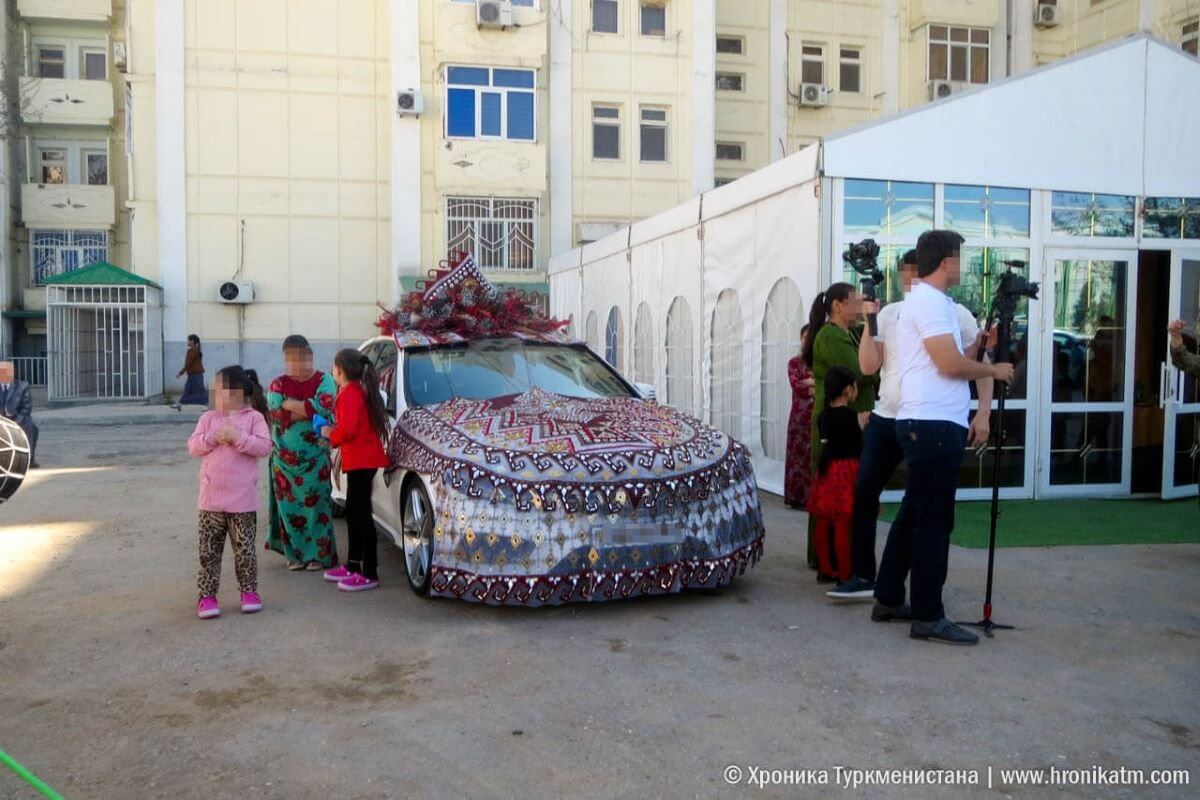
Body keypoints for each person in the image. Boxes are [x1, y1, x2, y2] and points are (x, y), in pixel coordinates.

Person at [872, 230, 1013, 646]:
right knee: (934, 522)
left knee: (915, 512)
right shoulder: (929, 303)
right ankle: (929, 616)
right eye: (960, 257)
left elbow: (950, 361)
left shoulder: (935, 304)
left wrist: (980, 351)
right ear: (947, 262)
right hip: (932, 424)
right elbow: (949, 365)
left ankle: (889, 597)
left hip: (928, 421)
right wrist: (994, 370)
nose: (963, 264)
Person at [828, 251, 993, 601]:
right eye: (907, 273)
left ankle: (905, 591)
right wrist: (870, 326)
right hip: (888, 416)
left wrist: (983, 413)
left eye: (916, 272)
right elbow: (869, 367)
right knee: (864, 491)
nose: (911, 279)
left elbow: (979, 362)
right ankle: (864, 576)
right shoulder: (889, 314)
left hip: (927, 419)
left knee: (918, 503)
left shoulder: (955, 312)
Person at [802, 282, 878, 579]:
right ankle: (824, 559)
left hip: (852, 421)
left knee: (839, 496)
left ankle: (830, 557)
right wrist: (876, 367)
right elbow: (861, 370)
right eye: (853, 301)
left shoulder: (853, 332)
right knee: (828, 494)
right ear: (837, 305)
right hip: (838, 423)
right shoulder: (829, 336)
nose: (859, 305)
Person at [187, 366, 273, 619]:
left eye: (219, 389)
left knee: (245, 551)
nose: (214, 394)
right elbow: (193, 446)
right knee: (208, 552)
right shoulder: (208, 418)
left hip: (242, 502)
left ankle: (249, 592)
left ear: (235, 392)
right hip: (210, 501)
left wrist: (238, 436)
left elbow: (264, 446)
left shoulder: (253, 418)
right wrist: (213, 437)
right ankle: (207, 596)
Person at [265, 335, 339, 571]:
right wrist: (307, 408)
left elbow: (325, 408)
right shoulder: (277, 384)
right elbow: (274, 415)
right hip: (283, 461)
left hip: (315, 459)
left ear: (310, 356)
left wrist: (289, 405)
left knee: (317, 507)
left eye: (300, 357)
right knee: (289, 509)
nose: (295, 364)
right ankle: (295, 555)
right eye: (290, 358)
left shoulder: (324, 380)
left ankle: (320, 555)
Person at [319, 350, 390, 592]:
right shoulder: (356, 391)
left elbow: (347, 431)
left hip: (362, 460)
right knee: (354, 512)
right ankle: (353, 565)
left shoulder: (351, 393)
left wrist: (329, 433)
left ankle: (369, 572)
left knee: (360, 515)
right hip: (361, 459)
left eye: (333, 368)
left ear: (339, 370)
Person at [806, 366, 862, 582]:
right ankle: (845, 571)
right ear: (848, 389)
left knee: (823, 521)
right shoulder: (851, 417)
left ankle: (825, 568)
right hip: (846, 470)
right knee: (843, 523)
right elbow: (856, 445)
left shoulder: (822, 416)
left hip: (826, 469)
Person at [784, 325, 815, 508]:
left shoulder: (820, 362)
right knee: (798, 458)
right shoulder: (794, 363)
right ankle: (796, 497)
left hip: (816, 416)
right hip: (799, 416)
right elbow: (798, 387)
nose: (806, 340)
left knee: (813, 457)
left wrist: (811, 383)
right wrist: (812, 384)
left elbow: (825, 386)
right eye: (804, 336)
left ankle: (813, 497)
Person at [0, 361, 38, 469]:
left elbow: (26, 408)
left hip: (17, 418)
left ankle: (29, 459)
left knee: (30, 426)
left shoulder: (22, 385)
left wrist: (14, 421)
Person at [172, 335, 208, 409]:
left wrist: (180, 373)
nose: (187, 342)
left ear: (192, 341)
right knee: (187, 390)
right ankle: (180, 404)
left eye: (188, 340)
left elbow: (188, 364)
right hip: (193, 375)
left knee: (200, 392)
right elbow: (189, 364)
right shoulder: (196, 350)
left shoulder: (192, 351)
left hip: (196, 375)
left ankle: (208, 405)